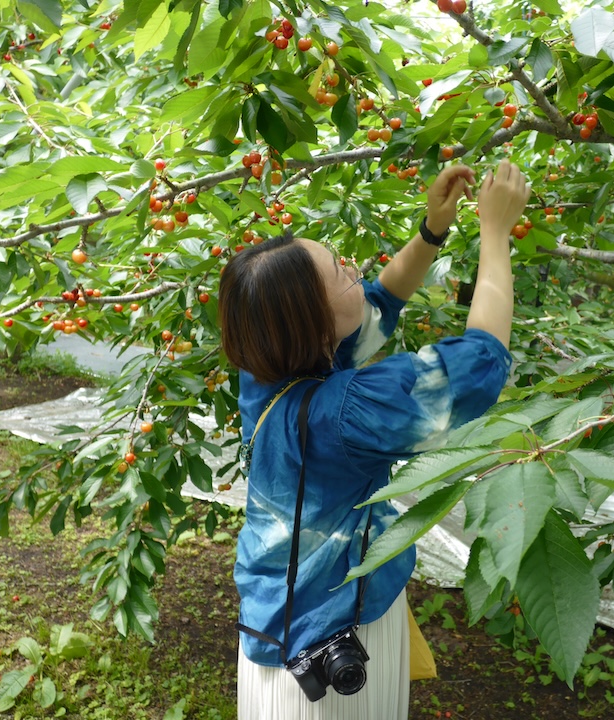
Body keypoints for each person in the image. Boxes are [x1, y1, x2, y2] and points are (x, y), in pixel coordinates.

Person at [218, 159, 531, 720]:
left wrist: (433, 231)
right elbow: (482, 361)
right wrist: (495, 233)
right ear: (311, 325)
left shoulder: (269, 369)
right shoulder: (346, 413)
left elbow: (377, 302)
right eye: (339, 271)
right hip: (333, 645)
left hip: (282, 625)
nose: (354, 270)